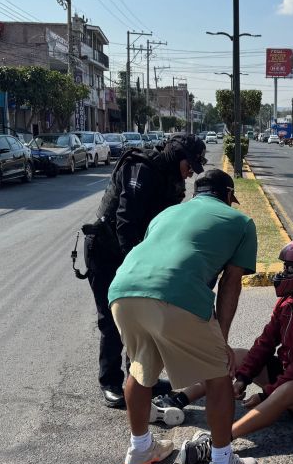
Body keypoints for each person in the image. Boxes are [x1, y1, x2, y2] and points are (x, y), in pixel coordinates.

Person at [109, 169, 259, 464]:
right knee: (218, 375)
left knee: (139, 369)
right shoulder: (240, 222)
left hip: (122, 291)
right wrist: (222, 341)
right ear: (228, 196)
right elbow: (231, 283)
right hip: (175, 292)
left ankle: (139, 451)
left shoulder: (167, 214)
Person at [169, 237, 293, 464]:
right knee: (237, 355)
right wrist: (242, 379)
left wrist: (266, 395)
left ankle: (218, 442)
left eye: (291, 269)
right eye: (285, 267)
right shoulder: (287, 302)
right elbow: (265, 343)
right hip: (290, 373)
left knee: (288, 389)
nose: (284, 273)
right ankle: (177, 399)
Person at [85, 133, 206, 409]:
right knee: (113, 320)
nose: (190, 175)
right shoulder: (142, 169)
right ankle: (111, 382)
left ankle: (139, 379)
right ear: (179, 157)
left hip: (134, 253)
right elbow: (125, 224)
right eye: (190, 166)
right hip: (106, 251)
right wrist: (138, 267)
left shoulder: (170, 179)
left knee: (142, 320)